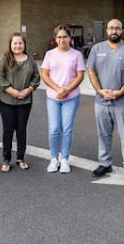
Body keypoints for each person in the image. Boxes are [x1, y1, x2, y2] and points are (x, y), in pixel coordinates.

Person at [87, 19, 124, 183]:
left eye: (117, 28)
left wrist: (120, 92)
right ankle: (105, 163)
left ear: (122, 30)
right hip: (101, 100)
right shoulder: (97, 49)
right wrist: (99, 91)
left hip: (122, 102)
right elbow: (91, 71)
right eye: (111, 28)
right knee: (103, 134)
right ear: (106, 30)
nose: (114, 31)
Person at [40, 25, 86, 174]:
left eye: (64, 36)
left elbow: (80, 76)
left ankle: (64, 159)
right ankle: (54, 158)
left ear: (70, 38)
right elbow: (45, 74)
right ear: (55, 39)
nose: (62, 39)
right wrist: (58, 89)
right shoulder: (50, 54)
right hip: (53, 97)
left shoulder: (77, 55)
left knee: (67, 129)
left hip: (71, 97)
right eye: (59, 37)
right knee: (54, 129)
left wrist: (67, 90)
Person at [0, 33, 40, 172]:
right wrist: (11, 91)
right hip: (6, 100)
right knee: (8, 130)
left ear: (24, 44)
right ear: (10, 44)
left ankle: (20, 157)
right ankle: (6, 159)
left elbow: (36, 76)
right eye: (15, 43)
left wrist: (29, 89)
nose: (17, 46)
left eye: (20, 43)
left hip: (25, 101)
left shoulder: (30, 59)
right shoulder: (5, 58)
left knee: (21, 130)